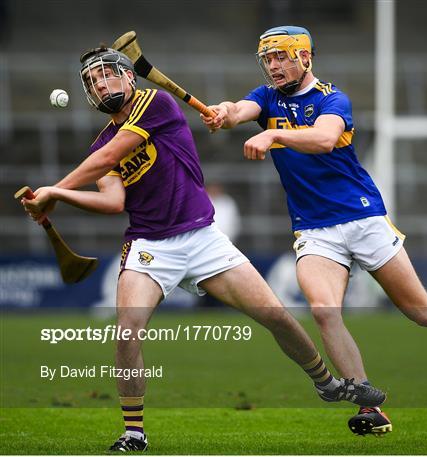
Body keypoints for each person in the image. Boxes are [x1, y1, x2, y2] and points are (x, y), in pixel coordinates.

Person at [21, 45, 387, 451]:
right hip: (149, 245)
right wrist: (61, 197)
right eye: (91, 81)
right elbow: (113, 201)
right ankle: (134, 432)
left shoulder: (155, 103)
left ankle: (327, 383)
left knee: (278, 318)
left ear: (129, 77)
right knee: (126, 335)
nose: (100, 83)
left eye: (107, 74)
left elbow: (113, 154)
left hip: (202, 237)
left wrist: (55, 188)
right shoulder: (100, 143)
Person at [200, 25, 427, 436]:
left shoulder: (333, 98)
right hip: (315, 230)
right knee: (325, 311)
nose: (273, 66)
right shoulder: (266, 97)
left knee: (421, 310)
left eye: (281, 56)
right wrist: (223, 112)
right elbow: (238, 110)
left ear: (305, 57)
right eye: (267, 59)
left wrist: (271, 133)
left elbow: (323, 139)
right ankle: (370, 407)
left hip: (363, 219)